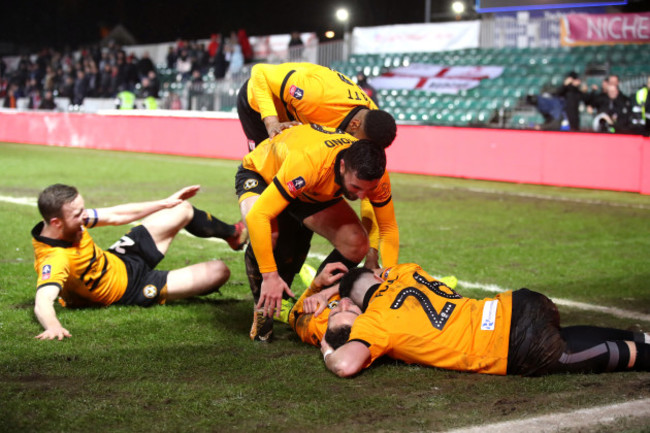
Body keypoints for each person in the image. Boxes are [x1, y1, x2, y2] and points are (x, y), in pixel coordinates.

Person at [320, 264, 650, 377]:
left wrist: (325, 345)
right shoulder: (407, 271)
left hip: (506, 343)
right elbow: (386, 270)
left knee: (561, 355)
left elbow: (346, 365)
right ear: (377, 276)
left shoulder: (374, 321)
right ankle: (642, 337)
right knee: (561, 337)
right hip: (519, 302)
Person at [235, 124, 399, 341]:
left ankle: (314, 302)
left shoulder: (375, 176)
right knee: (269, 234)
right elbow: (258, 216)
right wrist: (270, 276)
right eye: (356, 188)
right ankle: (263, 307)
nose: (362, 196)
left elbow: (388, 227)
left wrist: (385, 271)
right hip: (263, 175)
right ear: (342, 167)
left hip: (307, 189)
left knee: (356, 243)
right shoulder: (310, 162)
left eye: (369, 190)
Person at [32, 184, 248, 341]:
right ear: (56, 223)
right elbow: (43, 300)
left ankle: (234, 235)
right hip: (130, 289)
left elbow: (117, 214)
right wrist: (53, 327)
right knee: (219, 271)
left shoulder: (71, 223)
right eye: (79, 214)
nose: (84, 217)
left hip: (120, 258)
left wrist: (164, 203)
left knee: (181, 208)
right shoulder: (54, 258)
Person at [237, 62, 385, 152]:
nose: (361, 149)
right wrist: (272, 122)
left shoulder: (372, 117)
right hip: (256, 102)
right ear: (354, 124)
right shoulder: (314, 94)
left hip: (294, 113)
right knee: (263, 168)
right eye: (361, 143)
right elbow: (259, 71)